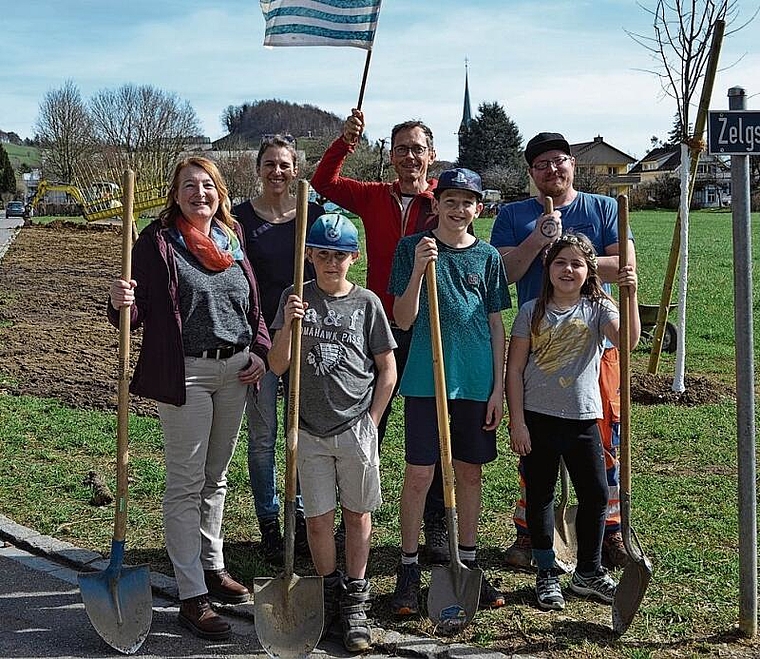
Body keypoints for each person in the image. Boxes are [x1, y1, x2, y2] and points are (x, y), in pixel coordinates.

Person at [108, 156, 271, 640]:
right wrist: (121, 302)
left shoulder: (232, 239)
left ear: (219, 191)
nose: (199, 193)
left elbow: (253, 306)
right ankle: (191, 594)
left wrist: (260, 350)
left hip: (236, 370)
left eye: (207, 185)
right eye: (189, 186)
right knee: (186, 481)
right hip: (188, 374)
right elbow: (133, 317)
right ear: (175, 195)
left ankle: (212, 565)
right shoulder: (159, 243)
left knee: (215, 479)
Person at [490, 132, 637, 570]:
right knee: (534, 440)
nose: (551, 170)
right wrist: (538, 241)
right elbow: (505, 273)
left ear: (572, 164)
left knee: (601, 434)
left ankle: (608, 531)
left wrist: (569, 256)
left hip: (596, 343)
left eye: (559, 161)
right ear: (531, 173)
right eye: (541, 165)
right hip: (536, 340)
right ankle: (528, 529)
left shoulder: (603, 208)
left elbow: (623, 265)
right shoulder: (514, 215)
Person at [311, 109, 449, 563]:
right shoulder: (372, 197)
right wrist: (346, 141)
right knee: (371, 421)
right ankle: (341, 514)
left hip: (430, 327)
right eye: (402, 149)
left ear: (432, 155)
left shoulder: (442, 204)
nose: (410, 156)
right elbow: (325, 182)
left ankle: (435, 528)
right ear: (391, 155)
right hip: (380, 326)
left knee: (430, 428)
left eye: (418, 149)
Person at [267, 213, 396, 652]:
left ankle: (355, 600)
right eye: (322, 253)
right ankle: (327, 591)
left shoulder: (367, 304)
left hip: (354, 427)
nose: (330, 262)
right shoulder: (294, 297)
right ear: (308, 256)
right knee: (318, 518)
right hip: (309, 430)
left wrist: (373, 421)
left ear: (353, 258)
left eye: (339, 255)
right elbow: (278, 365)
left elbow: (387, 370)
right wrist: (287, 322)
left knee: (358, 514)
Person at [387, 168, 510, 616]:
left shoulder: (488, 257)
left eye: (468, 202)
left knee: (469, 474)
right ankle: (407, 569)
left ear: (479, 209)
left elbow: (497, 324)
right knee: (420, 475)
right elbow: (402, 318)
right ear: (434, 205)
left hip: (475, 383)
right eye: (450, 201)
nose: (459, 209)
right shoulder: (411, 249)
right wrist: (420, 269)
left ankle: (469, 562)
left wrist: (497, 388)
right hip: (426, 379)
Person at [505, 232, 640, 610]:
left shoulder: (599, 307)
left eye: (577, 264)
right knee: (540, 495)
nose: (568, 270)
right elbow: (514, 370)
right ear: (548, 268)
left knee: (596, 494)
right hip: (537, 419)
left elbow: (626, 343)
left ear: (589, 271)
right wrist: (518, 422)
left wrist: (628, 295)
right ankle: (546, 572)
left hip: (583, 420)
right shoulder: (531, 310)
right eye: (560, 262)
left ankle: (588, 572)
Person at [232, 134, 323, 564]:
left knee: (302, 430)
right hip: (259, 336)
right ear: (258, 169)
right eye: (269, 164)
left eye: (284, 164)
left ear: (295, 169)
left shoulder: (313, 213)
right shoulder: (239, 220)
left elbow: (335, 261)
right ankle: (269, 519)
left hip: (306, 335)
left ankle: (300, 516)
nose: (276, 172)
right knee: (264, 432)